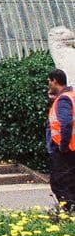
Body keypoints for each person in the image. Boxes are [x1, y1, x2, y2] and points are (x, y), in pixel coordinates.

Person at [45, 68, 75, 210]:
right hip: (72, 149)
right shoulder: (71, 96)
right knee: (70, 183)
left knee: (60, 183)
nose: (48, 85)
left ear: (55, 81)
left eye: (49, 82)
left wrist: (63, 145)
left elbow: (67, 122)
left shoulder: (63, 99)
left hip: (65, 150)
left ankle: (69, 213)